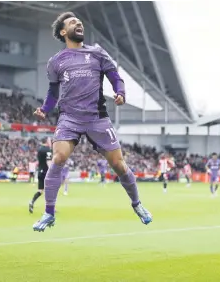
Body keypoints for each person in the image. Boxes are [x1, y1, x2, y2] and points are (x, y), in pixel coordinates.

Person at [32, 12, 152, 232]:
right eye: (71, 22)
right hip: (69, 117)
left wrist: (120, 92)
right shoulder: (56, 61)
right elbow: (53, 91)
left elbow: (115, 76)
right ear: (62, 32)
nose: (78, 23)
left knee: (119, 165)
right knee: (58, 157)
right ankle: (49, 213)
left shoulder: (97, 53)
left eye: (79, 21)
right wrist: (45, 109)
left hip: (97, 117)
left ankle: (137, 204)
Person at [29, 137, 52, 213]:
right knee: (49, 191)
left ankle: (32, 201)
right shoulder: (48, 150)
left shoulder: (39, 149)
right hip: (46, 172)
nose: (51, 141)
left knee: (40, 191)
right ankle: (49, 209)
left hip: (40, 172)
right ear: (46, 141)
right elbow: (48, 162)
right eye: (49, 140)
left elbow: (40, 161)